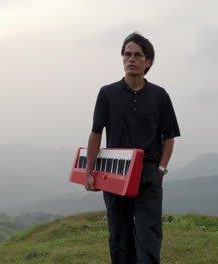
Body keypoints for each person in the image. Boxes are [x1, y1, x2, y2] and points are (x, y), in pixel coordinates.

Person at [84, 32, 180, 264]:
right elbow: (96, 133)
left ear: (148, 62)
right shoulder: (107, 93)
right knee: (119, 234)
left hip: (148, 173)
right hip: (115, 173)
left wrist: (161, 170)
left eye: (137, 55)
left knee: (149, 235)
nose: (131, 59)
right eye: (127, 54)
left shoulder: (159, 95)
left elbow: (169, 137)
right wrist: (89, 172)